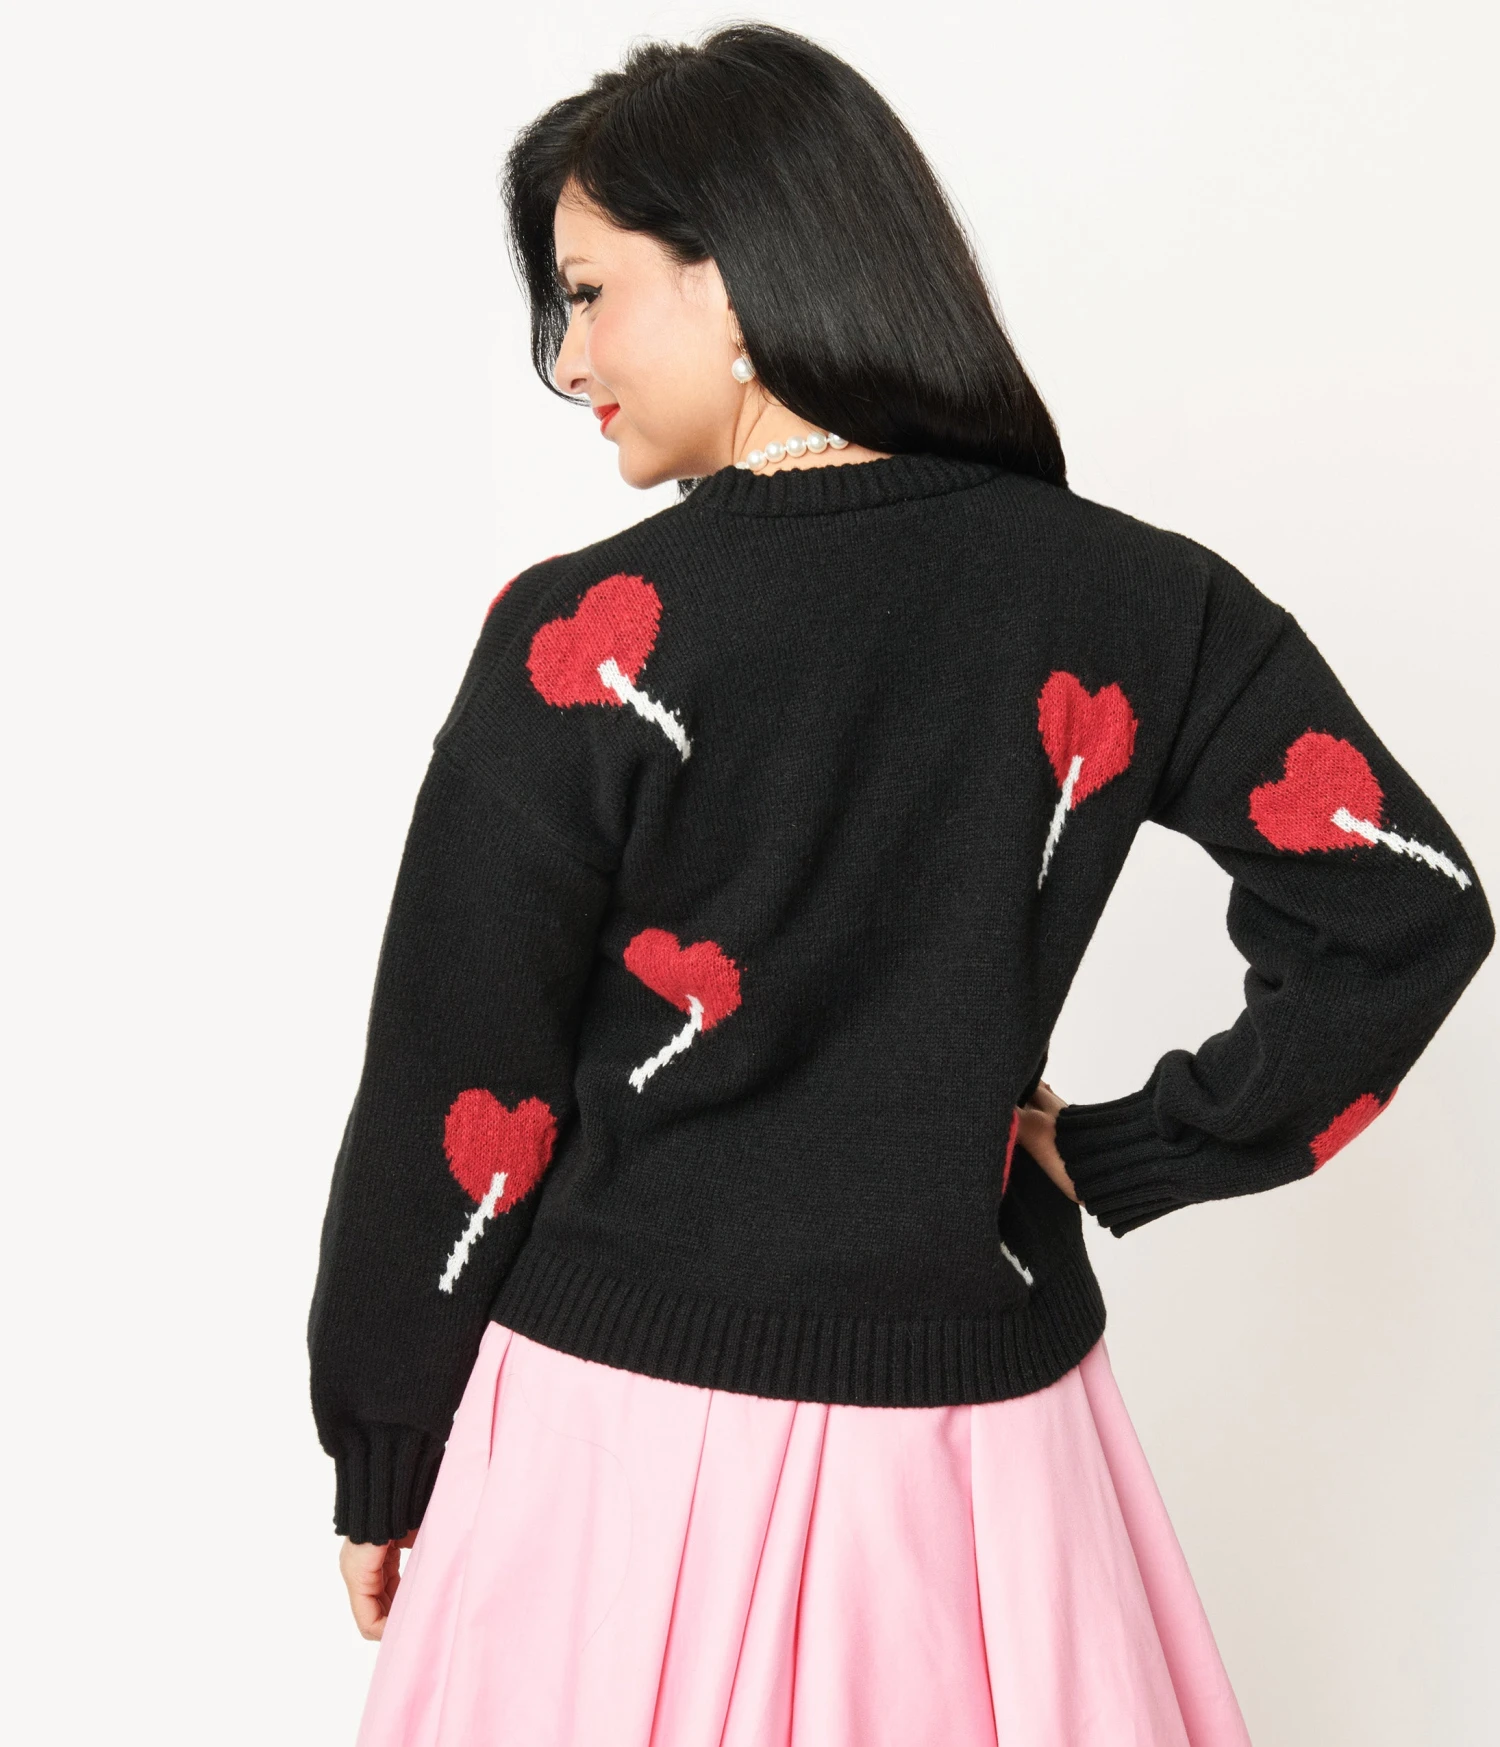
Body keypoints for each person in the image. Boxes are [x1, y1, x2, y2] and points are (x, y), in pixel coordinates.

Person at [306, 23, 1492, 1747]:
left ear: (730, 275)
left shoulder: (579, 635)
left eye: (589, 293)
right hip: (982, 1465)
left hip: (609, 1454)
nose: (569, 361)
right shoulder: (1136, 598)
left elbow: (454, 1072)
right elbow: (1406, 903)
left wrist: (384, 1442)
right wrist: (1131, 1149)